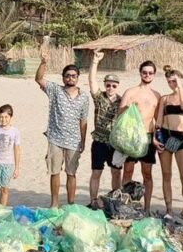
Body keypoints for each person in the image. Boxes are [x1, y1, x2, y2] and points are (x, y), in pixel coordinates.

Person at [35, 48, 89, 208]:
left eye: (74, 76)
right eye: (68, 76)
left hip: (74, 140)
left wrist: (83, 141)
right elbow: (38, 79)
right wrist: (43, 63)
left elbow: (83, 120)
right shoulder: (55, 90)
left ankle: (71, 203)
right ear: (63, 78)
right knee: (54, 172)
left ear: (78, 78)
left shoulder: (84, 97)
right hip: (55, 139)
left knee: (71, 173)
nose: (71, 78)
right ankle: (54, 203)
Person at [154, 66, 183, 219]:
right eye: (169, 82)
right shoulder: (164, 98)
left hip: (182, 137)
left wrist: (180, 88)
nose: (172, 84)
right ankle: (169, 208)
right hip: (166, 135)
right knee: (166, 174)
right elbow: (159, 120)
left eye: (174, 81)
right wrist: (155, 137)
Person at [119, 60, 162, 211]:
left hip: (148, 137)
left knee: (147, 173)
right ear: (140, 73)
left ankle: (147, 207)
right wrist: (130, 108)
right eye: (145, 72)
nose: (147, 75)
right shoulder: (130, 92)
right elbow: (120, 113)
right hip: (132, 137)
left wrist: (157, 138)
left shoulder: (157, 96)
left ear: (154, 75)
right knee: (128, 171)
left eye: (150, 73)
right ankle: (124, 204)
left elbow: (158, 120)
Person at [88, 50, 122, 204]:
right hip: (99, 141)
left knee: (116, 173)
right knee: (96, 172)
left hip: (115, 143)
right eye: (108, 84)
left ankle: (115, 199)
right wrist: (95, 62)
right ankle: (93, 200)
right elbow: (92, 81)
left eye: (113, 85)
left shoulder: (122, 101)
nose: (110, 87)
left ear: (117, 86)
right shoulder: (99, 98)